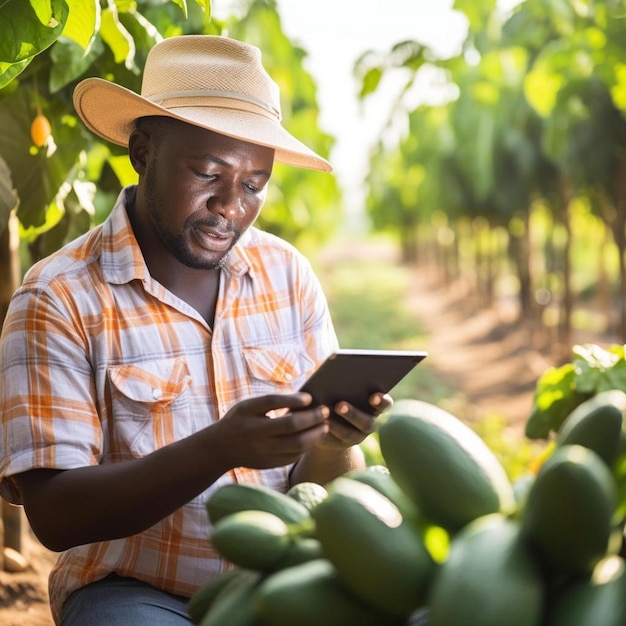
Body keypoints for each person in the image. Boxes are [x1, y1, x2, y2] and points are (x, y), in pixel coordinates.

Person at [0, 35, 391, 625]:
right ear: (142, 151)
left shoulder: (287, 275)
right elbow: (55, 516)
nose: (230, 204)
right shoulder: (57, 298)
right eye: (209, 172)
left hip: (280, 575)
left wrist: (333, 444)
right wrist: (219, 448)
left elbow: (320, 485)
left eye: (255, 184)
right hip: (135, 592)